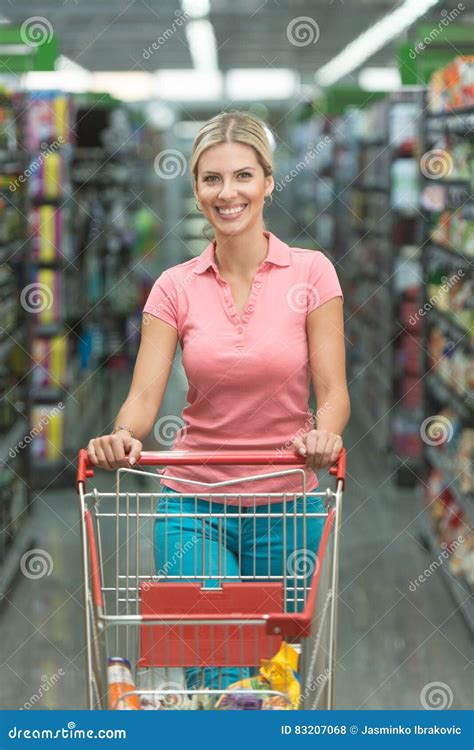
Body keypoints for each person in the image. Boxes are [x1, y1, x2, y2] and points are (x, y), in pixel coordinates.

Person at [87, 110, 350, 693]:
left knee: (270, 679)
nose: (227, 193)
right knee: (218, 675)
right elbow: (142, 400)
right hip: (193, 505)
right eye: (211, 179)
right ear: (196, 189)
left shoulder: (313, 273)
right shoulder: (174, 286)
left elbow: (333, 394)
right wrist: (123, 436)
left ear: (269, 182)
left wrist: (323, 434)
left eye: (242, 176)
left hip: (289, 506)